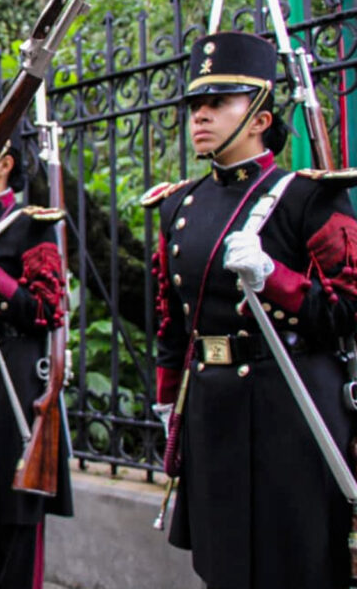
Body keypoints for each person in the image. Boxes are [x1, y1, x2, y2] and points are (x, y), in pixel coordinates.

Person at [146, 31, 357, 589]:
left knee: (295, 566)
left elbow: (348, 312)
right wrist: (169, 400)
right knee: (226, 568)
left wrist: (274, 279)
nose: (201, 117)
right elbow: (174, 319)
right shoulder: (180, 205)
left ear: (260, 115)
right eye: (196, 105)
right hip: (212, 411)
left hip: (291, 410)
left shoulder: (308, 198)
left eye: (219, 103)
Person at [0, 102, 73, 589]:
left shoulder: (31, 224)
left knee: (14, 541)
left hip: (12, 392)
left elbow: (46, 312)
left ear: (4, 162)